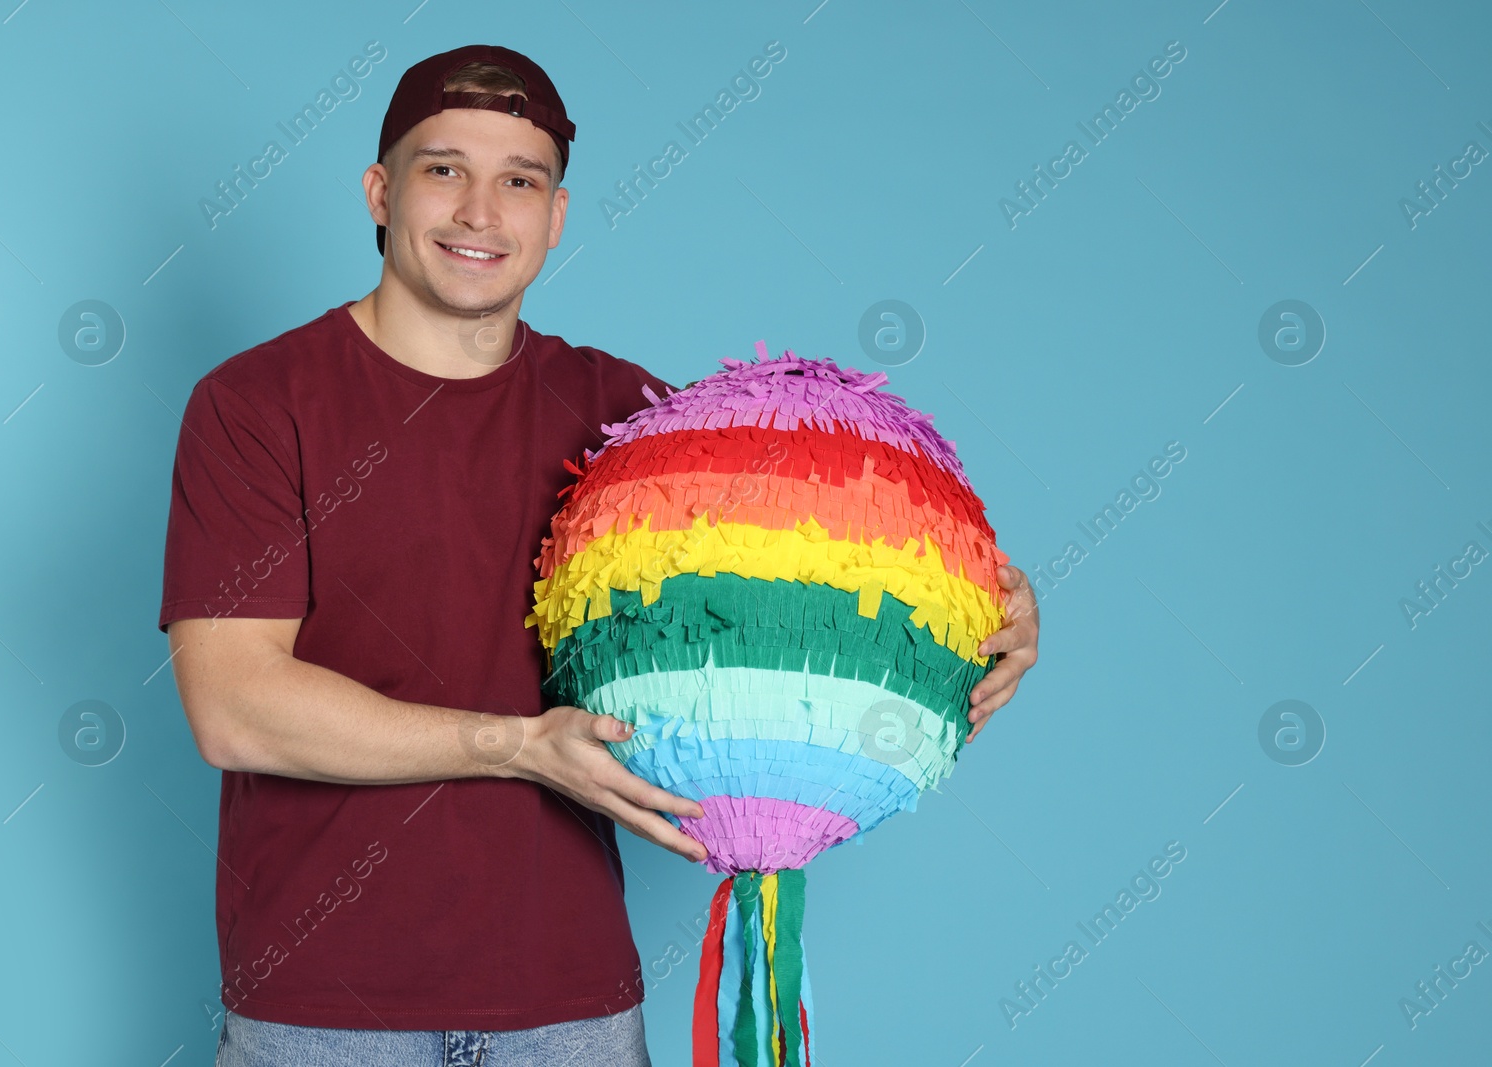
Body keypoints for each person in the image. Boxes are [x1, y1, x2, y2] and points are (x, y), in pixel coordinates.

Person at [158, 43, 1040, 1067]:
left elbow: (816, 576)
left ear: (556, 216)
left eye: (519, 181)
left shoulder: (632, 423)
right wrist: (517, 743)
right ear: (379, 191)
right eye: (444, 169)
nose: (481, 212)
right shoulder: (259, 404)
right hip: (321, 1012)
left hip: (569, 1008)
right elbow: (232, 705)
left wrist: (988, 606)